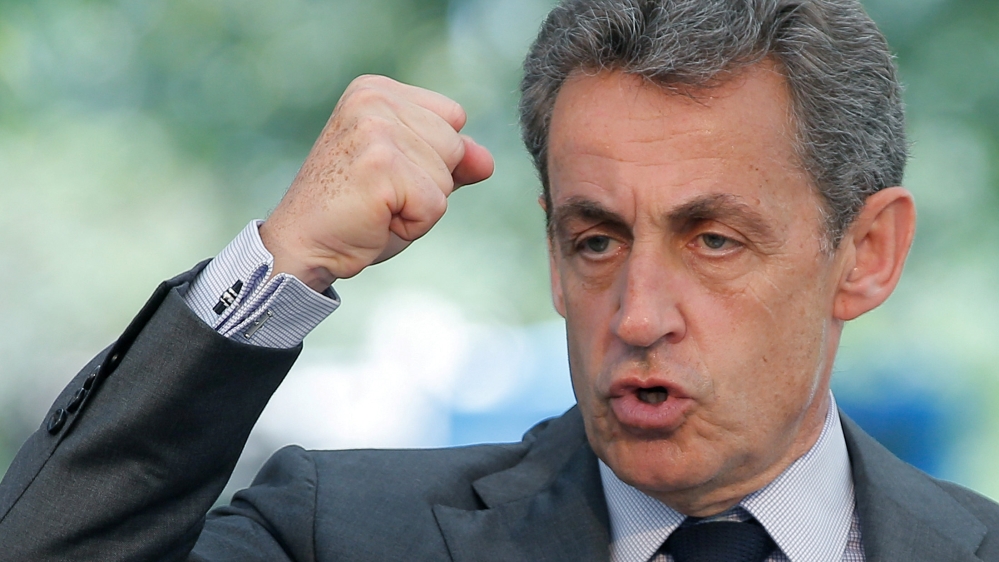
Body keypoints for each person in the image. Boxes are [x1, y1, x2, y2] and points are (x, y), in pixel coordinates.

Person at [1, 0, 998, 560]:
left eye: (715, 241)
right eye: (597, 240)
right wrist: (281, 262)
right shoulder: (338, 536)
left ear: (866, 254)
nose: (641, 315)